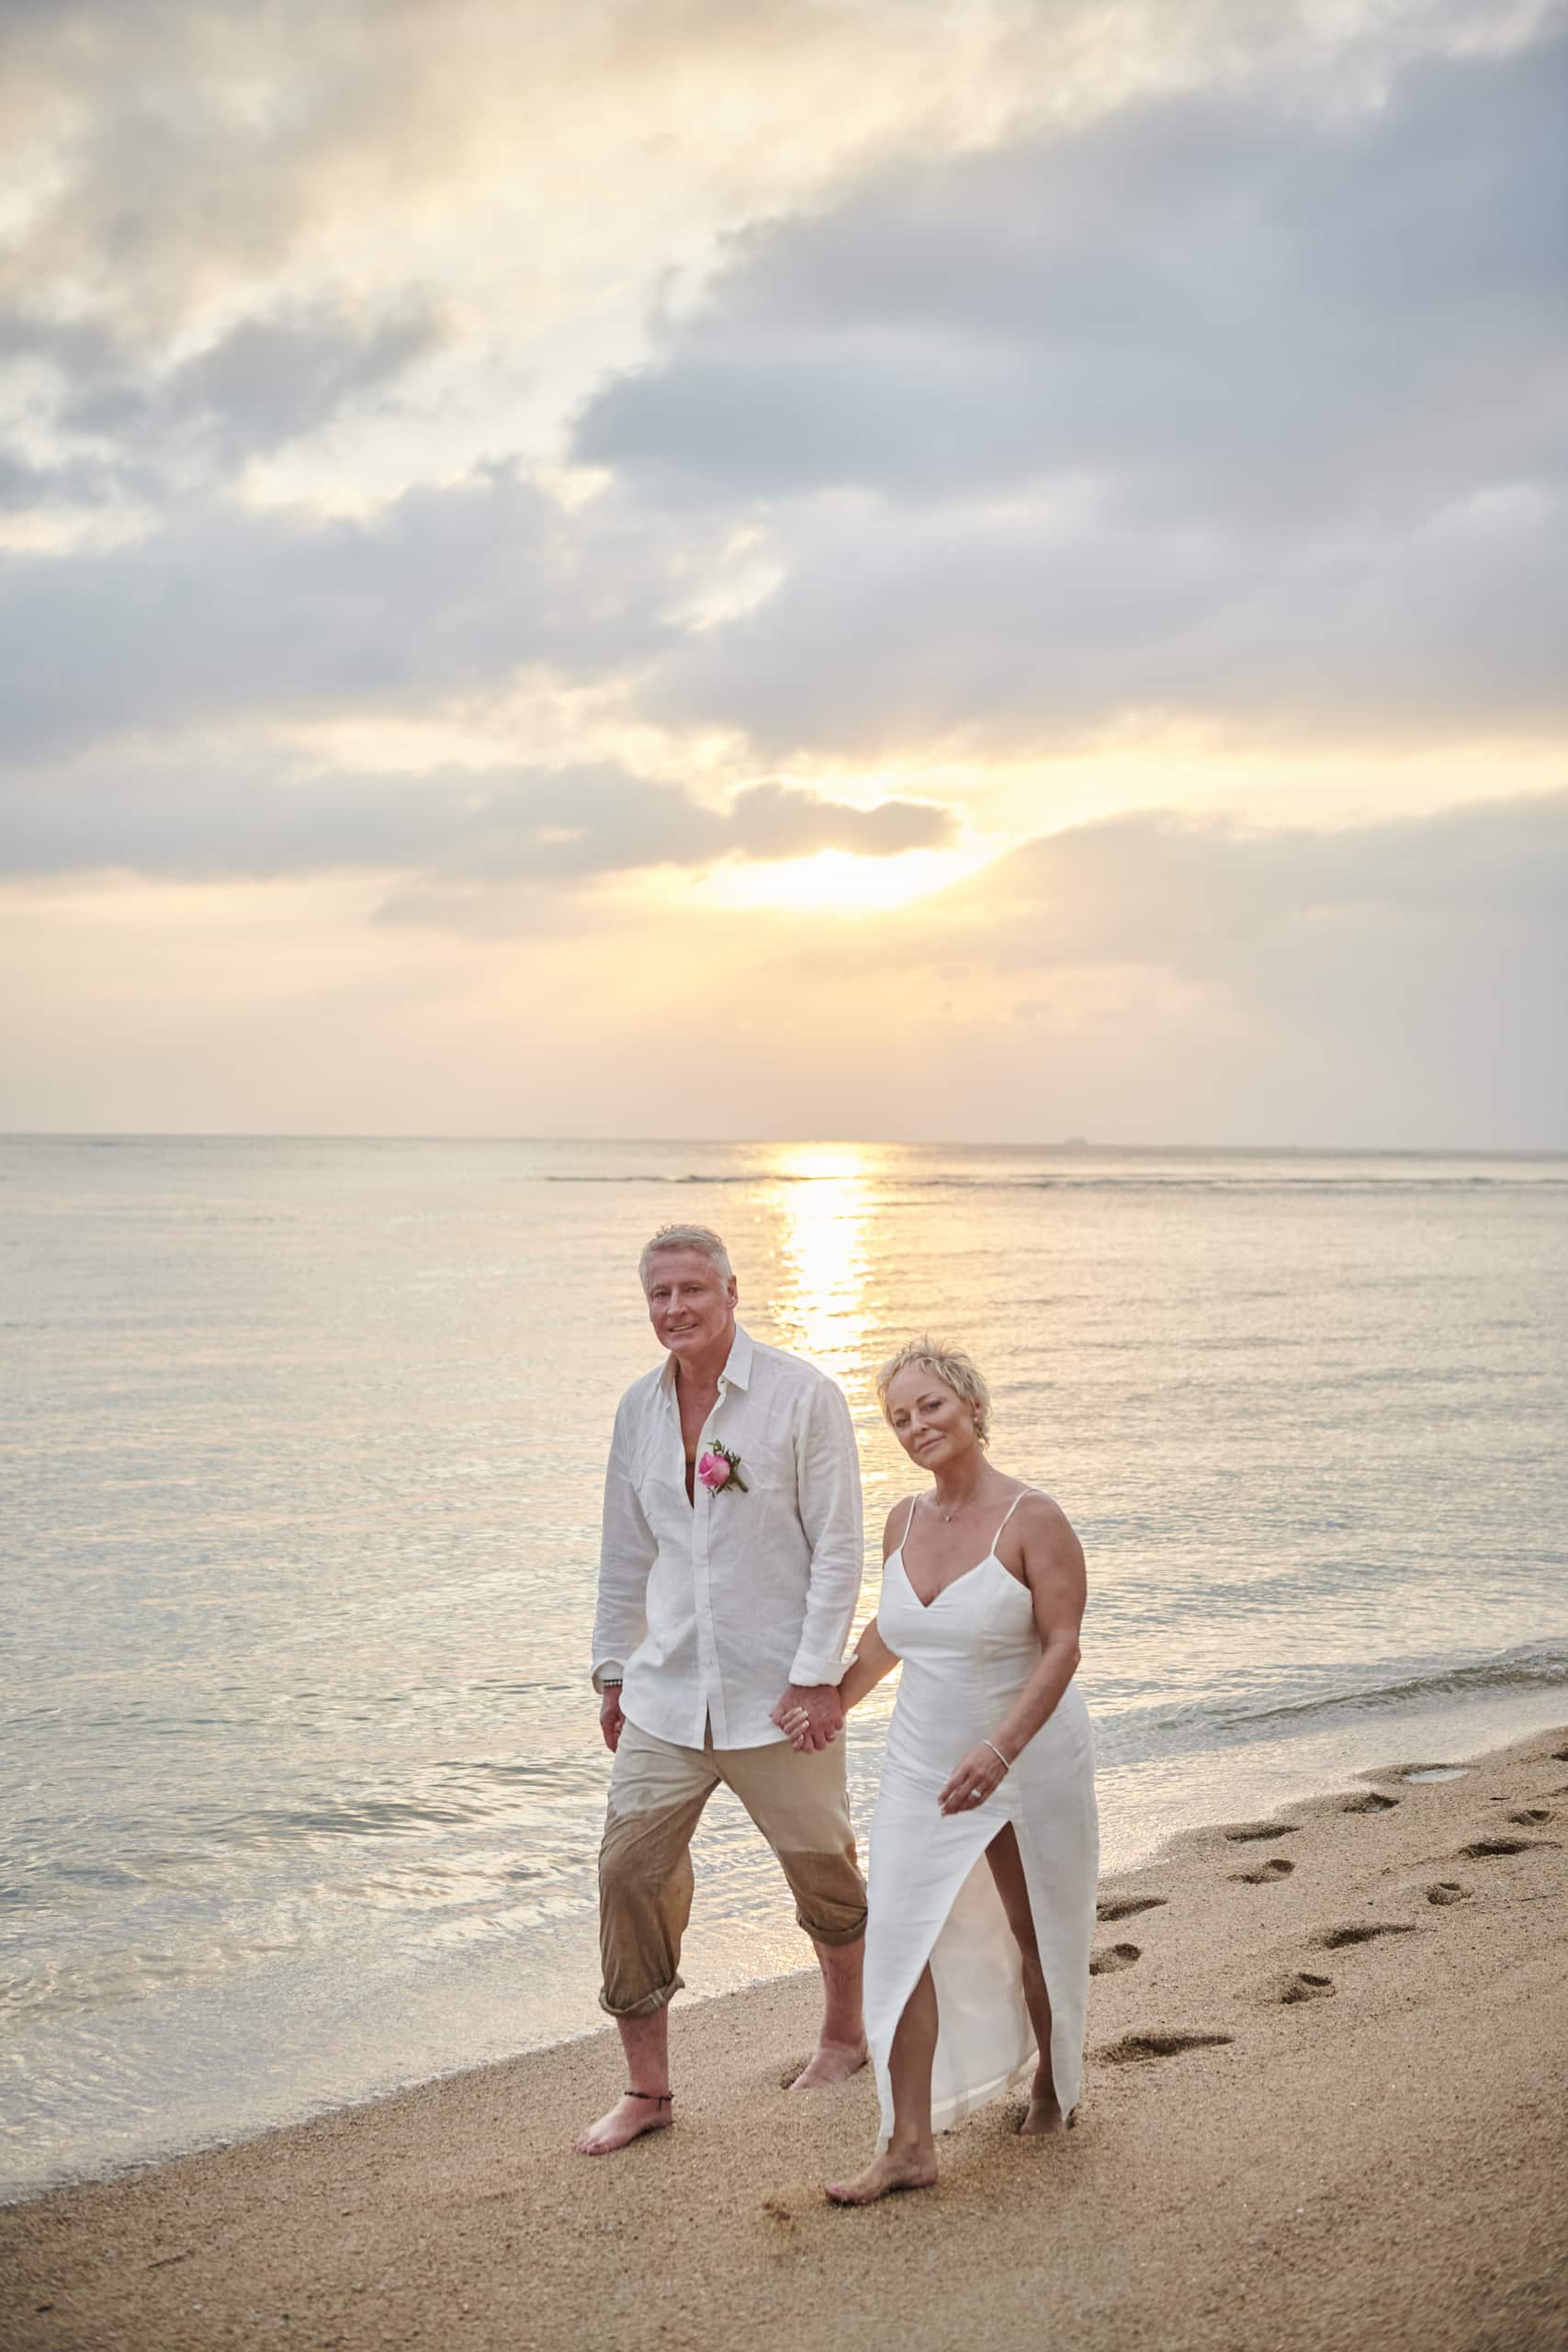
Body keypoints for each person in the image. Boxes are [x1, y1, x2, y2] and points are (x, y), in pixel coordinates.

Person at [573, 1223, 868, 2157]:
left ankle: (845, 2037)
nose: (675, 1309)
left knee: (824, 1875)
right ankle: (646, 2091)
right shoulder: (638, 1409)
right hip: (664, 1696)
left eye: (692, 1289)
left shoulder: (801, 1396)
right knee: (628, 1875)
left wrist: (816, 1679)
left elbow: (839, 1550)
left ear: (732, 1292)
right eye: (659, 1294)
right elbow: (625, 1554)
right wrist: (613, 1671)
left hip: (778, 1698)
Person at [781, 1338, 1096, 2205]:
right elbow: (892, 1633)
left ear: (972, 1408)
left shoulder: (1033, 1518)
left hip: (1026, 1758)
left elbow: (1062, 1647)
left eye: (930, 1405)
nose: (916, 1425)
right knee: (901, 1938)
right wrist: (832, 1700)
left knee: (1036, 1932)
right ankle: (907, 2145)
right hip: (922, 1760)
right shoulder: (903, 1521)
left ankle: (1051, 2085)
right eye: (898, 1417)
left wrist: (999, 1750)